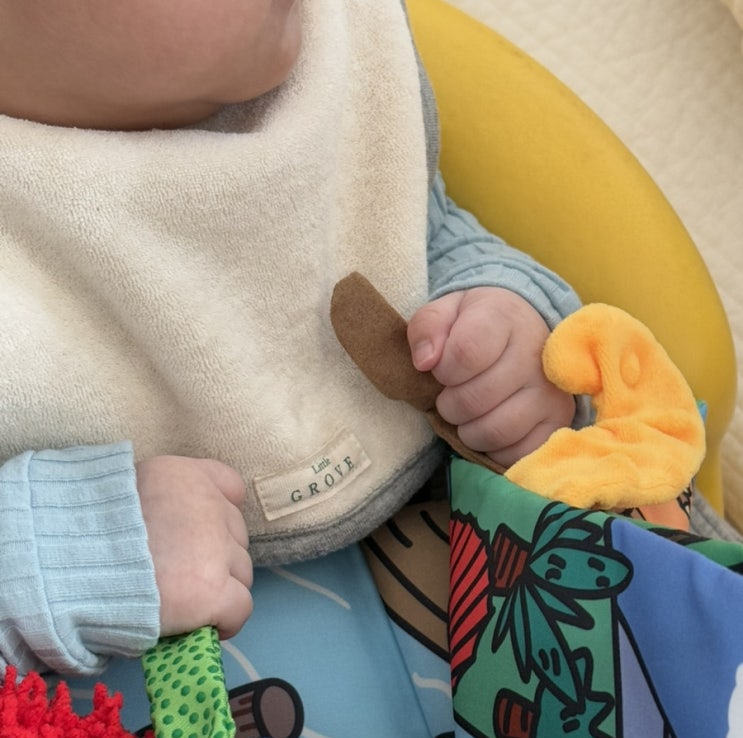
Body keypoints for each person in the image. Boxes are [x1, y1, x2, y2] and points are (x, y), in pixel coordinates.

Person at [0, 0, 725, 682]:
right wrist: (75, 549)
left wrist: (505, 330)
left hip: (537, 647)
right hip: (196, 729)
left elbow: (417, 234)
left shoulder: (326, 53)